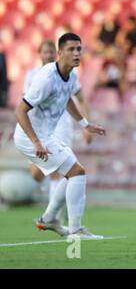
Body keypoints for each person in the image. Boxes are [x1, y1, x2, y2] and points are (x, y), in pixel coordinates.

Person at [14, 33, 106, 240]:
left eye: (79, 49)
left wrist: (85, 124)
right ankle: (75, 230)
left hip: (46, 135)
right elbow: (20, 110)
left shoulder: (71, 75)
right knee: (77, 173)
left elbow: (67, 100)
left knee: (72, 173)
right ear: (59, 53)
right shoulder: (46, 79)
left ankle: (49, 219)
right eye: (71, 49)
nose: (76, 53)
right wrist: (36, 142)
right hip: (30, 137)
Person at [23, 40, 92, 223]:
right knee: (37, 175)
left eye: (51, 52)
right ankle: (54, 211)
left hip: (61, 125)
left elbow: (80, 99)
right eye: (45, 52)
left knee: (64, 171)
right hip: (39, 126)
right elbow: (25, 105)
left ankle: (54, 216)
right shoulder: (33, 75)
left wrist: (86, 125)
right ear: (39, 54)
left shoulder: (68, 75)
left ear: (57, 54)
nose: (48, 55)